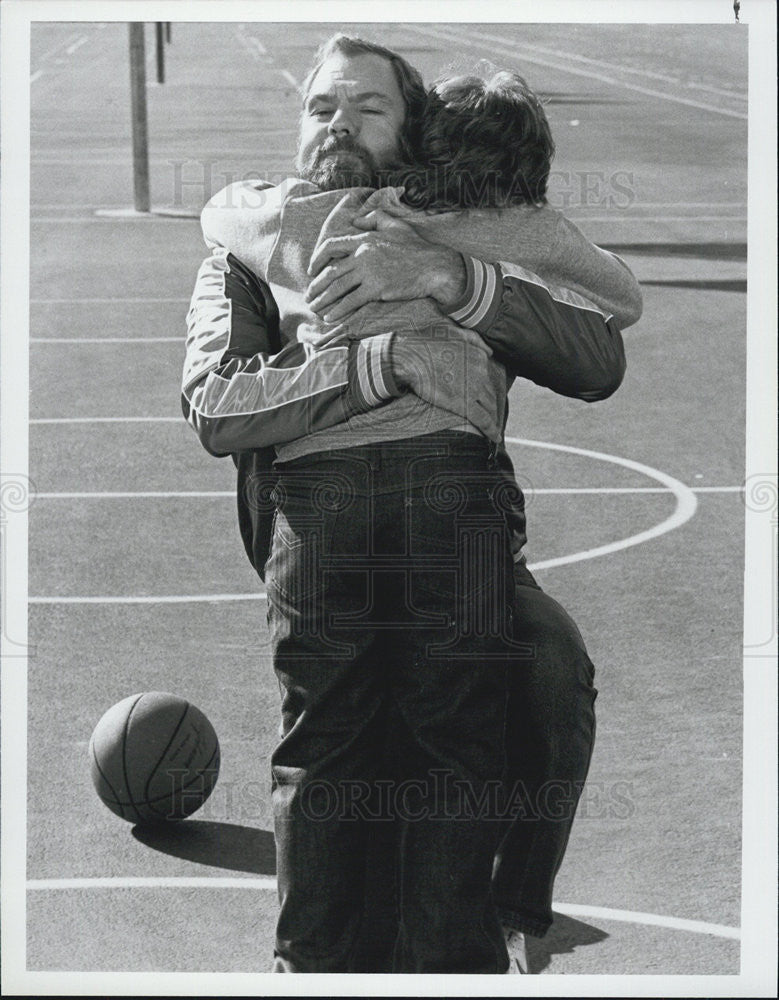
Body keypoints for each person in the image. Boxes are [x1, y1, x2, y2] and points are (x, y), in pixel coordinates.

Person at [183, 36, 642, 973]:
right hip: (374, 504)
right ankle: (435, 956)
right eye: (322, 108)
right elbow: (214, 404)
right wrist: (377, 363)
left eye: (368, 109)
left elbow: (599, 354)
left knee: (542, 680)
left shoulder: (292, 223)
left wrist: (456, 283)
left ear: (415, 129)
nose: (340, 125)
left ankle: (478, 919)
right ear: (297, 121)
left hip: (369, 511)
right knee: (450, 739)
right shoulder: (480, 219)